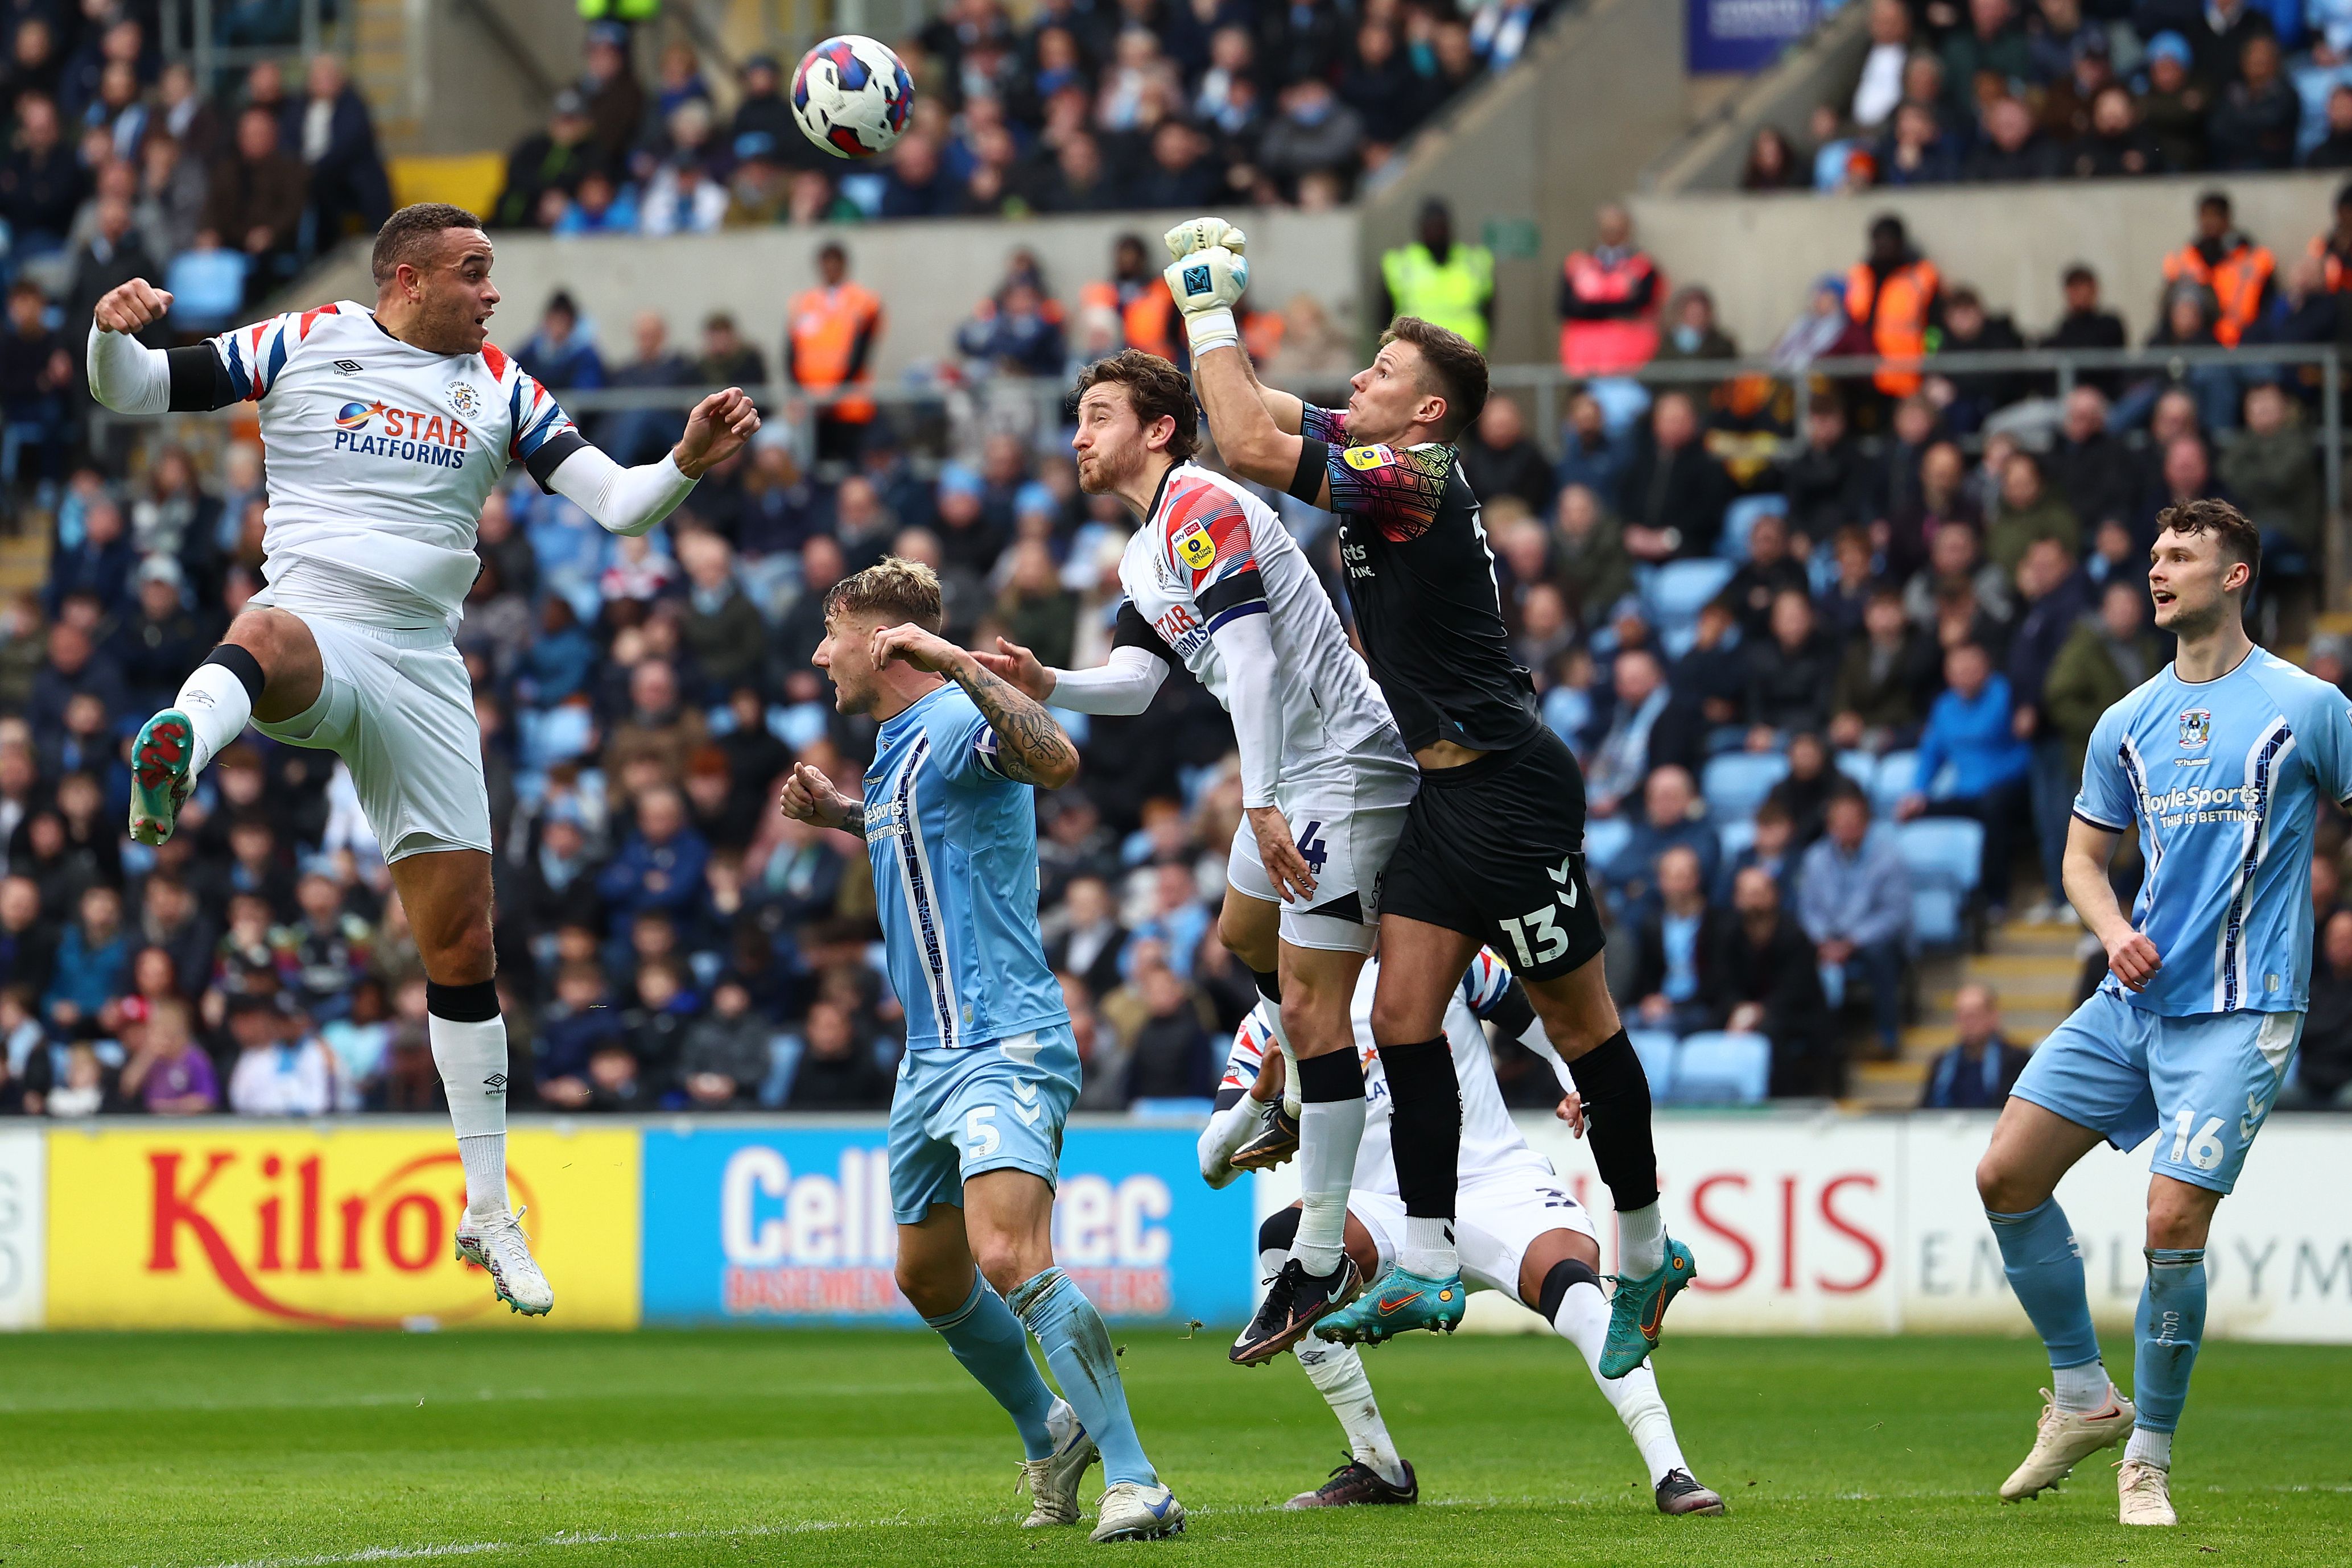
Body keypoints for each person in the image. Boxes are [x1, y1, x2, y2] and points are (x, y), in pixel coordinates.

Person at [86, 203, 761, 1318]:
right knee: (264, 632)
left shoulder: (501, 384)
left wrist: (683, 459)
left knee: (461, 940)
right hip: (320, 616)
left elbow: (623, 506)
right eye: (473, 273)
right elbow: (136, 390)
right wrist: (113, 333)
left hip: (425, 667)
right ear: (406, 279)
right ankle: (181, 748)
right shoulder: (304, 340)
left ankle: (489, 1210)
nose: (493, 294)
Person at [1167, 214, 1690, 1374]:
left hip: (1511, 790)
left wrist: (1205, 304)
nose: (1359, 379)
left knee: (1578, 1022)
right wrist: (1224, 338)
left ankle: (1649, 1247)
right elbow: (1249, 421)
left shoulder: (1410, 476)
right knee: (1400, 1019)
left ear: (1427, 411)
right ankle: (1427, 1266)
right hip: (1440, 797)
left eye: (1383, 373)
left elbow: (1245, 439)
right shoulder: (1380, 454)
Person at [978, 348, 1414, 1366]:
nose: (1076, 435)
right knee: (1238, 932)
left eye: (1096, 415)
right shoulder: (1140, 551)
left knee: (1312, 1010)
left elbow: (1255, 661)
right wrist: (1049, 678)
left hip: (1343, 769)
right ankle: (1284, 1093)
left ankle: (1314, 1253)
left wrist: (1255, 802)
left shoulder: (1204, 504)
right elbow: (1134, 684)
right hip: (1295, 775)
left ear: (1159, 428)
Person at [779, 557, 1183, 1540]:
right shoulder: (892, 747)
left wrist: (958, 663)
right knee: (928, 1275)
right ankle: (1050, 1433)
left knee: (1008, 1254)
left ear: (885, 643)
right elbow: (927, 840)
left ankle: (1137, 1480)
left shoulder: (960, 718)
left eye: (834, 635)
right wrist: (841, 815)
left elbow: (1055, 761)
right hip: (928, 1056)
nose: (819, 654)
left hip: (1003, 1038)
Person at [1975, 498, 2349, 1526]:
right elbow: (2080, 859)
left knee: (2167, 1218)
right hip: (2132, 998)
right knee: (2002, 1173)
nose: (2156, 568)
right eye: (2151, 554)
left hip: (2240, 1009)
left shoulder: (2305, 705)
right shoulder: (2123, 719)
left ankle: (2145, 1460)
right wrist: (2107, 928)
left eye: (2179, 554)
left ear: (2234, 575)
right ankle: (2084, 1396)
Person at [1200, 950, 1723, 1517]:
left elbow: (1551, 1023)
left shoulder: (1440, 949)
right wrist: (1259, 1099)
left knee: (1576, 1289)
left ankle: (1672, 1469)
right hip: (1386, 1208)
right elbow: (1213, 1162)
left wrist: (1576, 1082)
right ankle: (1379, 1463)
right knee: (1288, 1245)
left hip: (1496, 1182)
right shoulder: (1269, 1021)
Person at [1899, 640, 2033, 914]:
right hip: (1965, 791)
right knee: (1915, 813)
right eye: (1957, 669)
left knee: (1993, 809)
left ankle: (1996, 898)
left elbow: (2026, 751)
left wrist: (1999, 779)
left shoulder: (2006, 695)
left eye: (1972, 667)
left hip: (2007, 788)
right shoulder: (1944, 706)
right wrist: (1917, 792)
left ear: (1986, 668)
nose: (1965, 674)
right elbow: (1932, 754)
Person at [1797, 788, 1911, 1058]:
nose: (1846, 828)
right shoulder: (1815, 858)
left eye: (1853, 822)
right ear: (1830, 825)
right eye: (1840, 822)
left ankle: (1887, 1034)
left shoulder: (1888, 858)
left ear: (1866, 824)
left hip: (1870, 938)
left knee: (1880, 954)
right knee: (1796, 954)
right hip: (1826, 939)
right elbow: (1808, 909)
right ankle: (1822, 1043)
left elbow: (1894, 914)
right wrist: (1822, 940)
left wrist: (1853, 941)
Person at [785, 241, 884, 464]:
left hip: (849, 402)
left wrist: (833, 395)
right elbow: (791, 353)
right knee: (813, 465)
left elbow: (861, 352)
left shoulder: (864, 301)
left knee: (850, 464)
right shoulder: (803, 303)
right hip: (811, 405)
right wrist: (803, 394)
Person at [1378, 197, 1495, 353]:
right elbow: (1383, 316)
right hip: (1416, 356)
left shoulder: (1474, 263)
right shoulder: (1401, 265)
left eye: (1440, 225)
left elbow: (1489, 312)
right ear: (1420, 228)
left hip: (1465, 355)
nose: (1436, 232)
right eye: (1431, 226)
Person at [2160, 191, 2274, 350]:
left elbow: (2268, 308)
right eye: (2206, 216)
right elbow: (2166, 309)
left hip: (2244, 344)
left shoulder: (2255, 260)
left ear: (2227, 219)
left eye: (2216, 216)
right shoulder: (2183, 261)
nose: (2211, 223)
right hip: (2195, 345)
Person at [1557, 203, 1661, 376]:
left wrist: (1589, 308)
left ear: (1628, 230)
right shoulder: (1576, 265)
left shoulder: (1643, 266)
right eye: (1607, 228)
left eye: (1618, 228)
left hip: (1630, 366)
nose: (1612, 233)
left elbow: (1641, 306)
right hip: (1583, 364)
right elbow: (1566, 308)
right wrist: (1618, 306)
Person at [1920, 982, 2029, 1109]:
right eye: (1962, 1015)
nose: (1968, 1023)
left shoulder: (2016, 1060)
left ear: (1993, 1016)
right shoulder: (1942, 1063)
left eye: (1974, 1015)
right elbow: (1925, 1111)